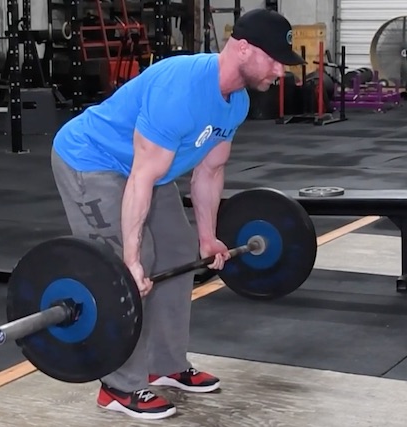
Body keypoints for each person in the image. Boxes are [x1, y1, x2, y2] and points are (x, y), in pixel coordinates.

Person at [50, 8, 305, 421]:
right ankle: (119, 385)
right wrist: (130, 259)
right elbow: (140, 177)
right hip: (92, 161)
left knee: (180, 251)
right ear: (242, 49)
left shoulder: (235, 102)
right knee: (129, 264)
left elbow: (209, 170)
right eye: (274, 59)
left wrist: (208, 236)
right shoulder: (182, 90)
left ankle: (164, 363)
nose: (280, 70)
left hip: (147, 169)